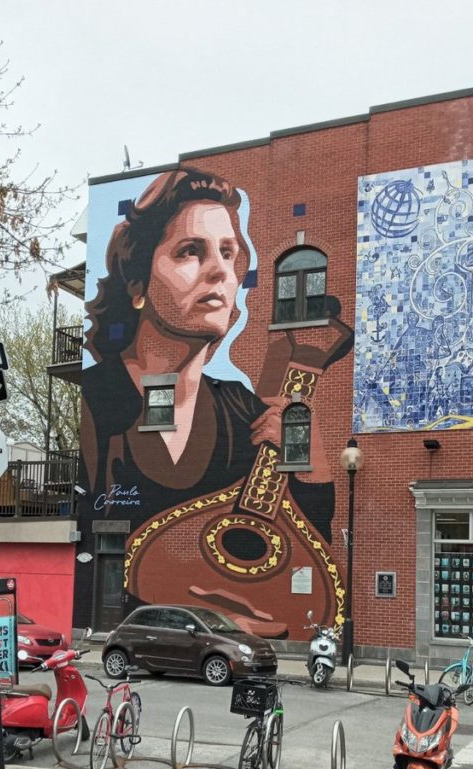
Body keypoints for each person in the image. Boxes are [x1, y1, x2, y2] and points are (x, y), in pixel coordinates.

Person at [79, 163, 353, 634]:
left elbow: (303, 538)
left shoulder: (242, 408)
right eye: (191, 251)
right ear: (138, 284)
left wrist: (313, 472)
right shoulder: (101, 395)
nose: (219, 272)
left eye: (229, 255)